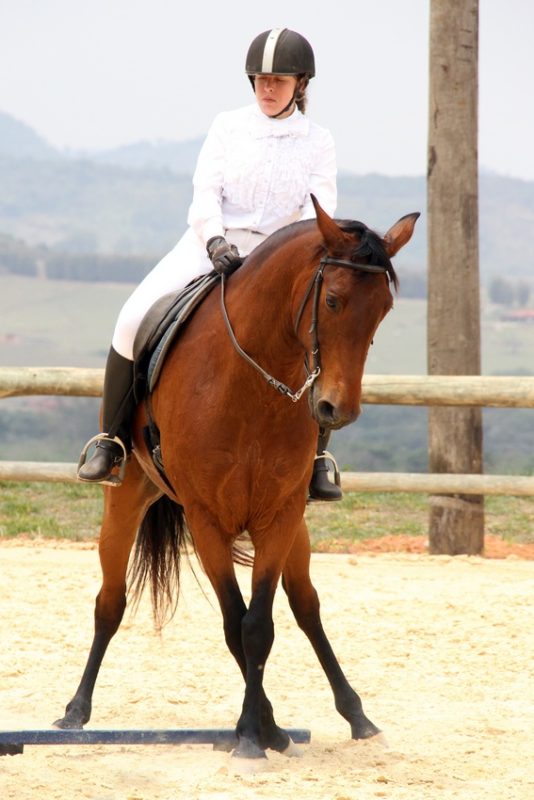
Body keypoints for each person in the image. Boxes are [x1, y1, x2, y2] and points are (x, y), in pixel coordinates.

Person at [78, 27, 342, 501]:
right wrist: (216, 240)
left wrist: (285, 257)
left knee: (318, 337)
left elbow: (316, 211)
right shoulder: (228, 126)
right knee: (131, 318)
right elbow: (205, 193)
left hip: (282, 259)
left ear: (301, 83)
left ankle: (317, 458)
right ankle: (112, 440)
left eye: (278, 80)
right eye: (260, 79)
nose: (267, 88)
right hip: (210, 243)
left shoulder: (318, 141)